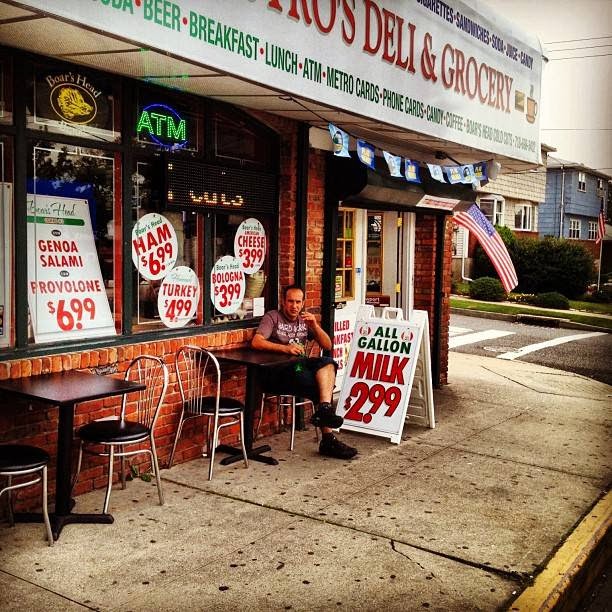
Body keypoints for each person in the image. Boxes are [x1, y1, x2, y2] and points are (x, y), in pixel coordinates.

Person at [251, 284, 358, 460]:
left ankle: (324, 410)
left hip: (299, 367)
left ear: (302, 303)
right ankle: (328, 438)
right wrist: (285, 349)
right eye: (290, 301)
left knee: (328, 363)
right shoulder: (273, 317)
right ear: (283, 302)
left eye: (298, 302)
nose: (294, 306)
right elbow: (256, 342)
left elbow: (327, 345)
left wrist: (314, 326)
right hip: (277, 371)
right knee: (321, 385)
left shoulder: (304, 321)